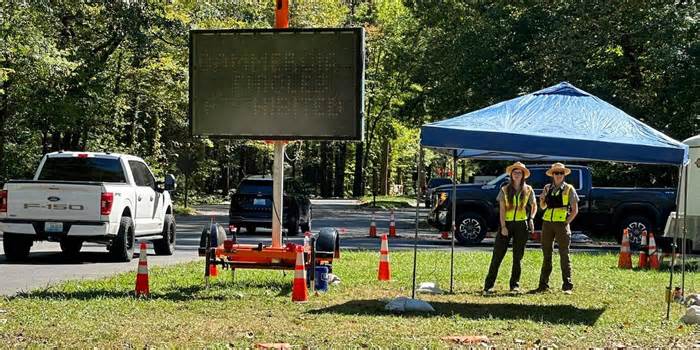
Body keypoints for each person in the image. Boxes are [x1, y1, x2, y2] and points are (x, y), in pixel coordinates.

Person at [483, 162, 536, 295]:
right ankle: (488, 286)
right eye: (515, 172)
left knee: (518, 258)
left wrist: (531, 219)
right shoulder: (505, 189)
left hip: (521, 225)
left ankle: (514, 286)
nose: (517, 174)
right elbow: (502, 209)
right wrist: (503, 226)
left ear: (523, 175)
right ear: (511, 175)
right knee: (497, 256)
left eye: (519, 172)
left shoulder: (529, 189)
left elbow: (534, 205)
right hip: (506, 224)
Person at [536, 162, 579, 294]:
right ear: (552, 175)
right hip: (547, 223)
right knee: (546, 254)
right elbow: (542, 207)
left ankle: (567, 286)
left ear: (564, 174)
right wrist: (541, 200)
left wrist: (567, 222)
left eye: (561, 173)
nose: (558, 175)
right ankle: (543, 285)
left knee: (564, 255)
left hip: (562, 224)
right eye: (556, 173)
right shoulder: (547, 188)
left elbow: (575, 210)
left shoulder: (569, 189)